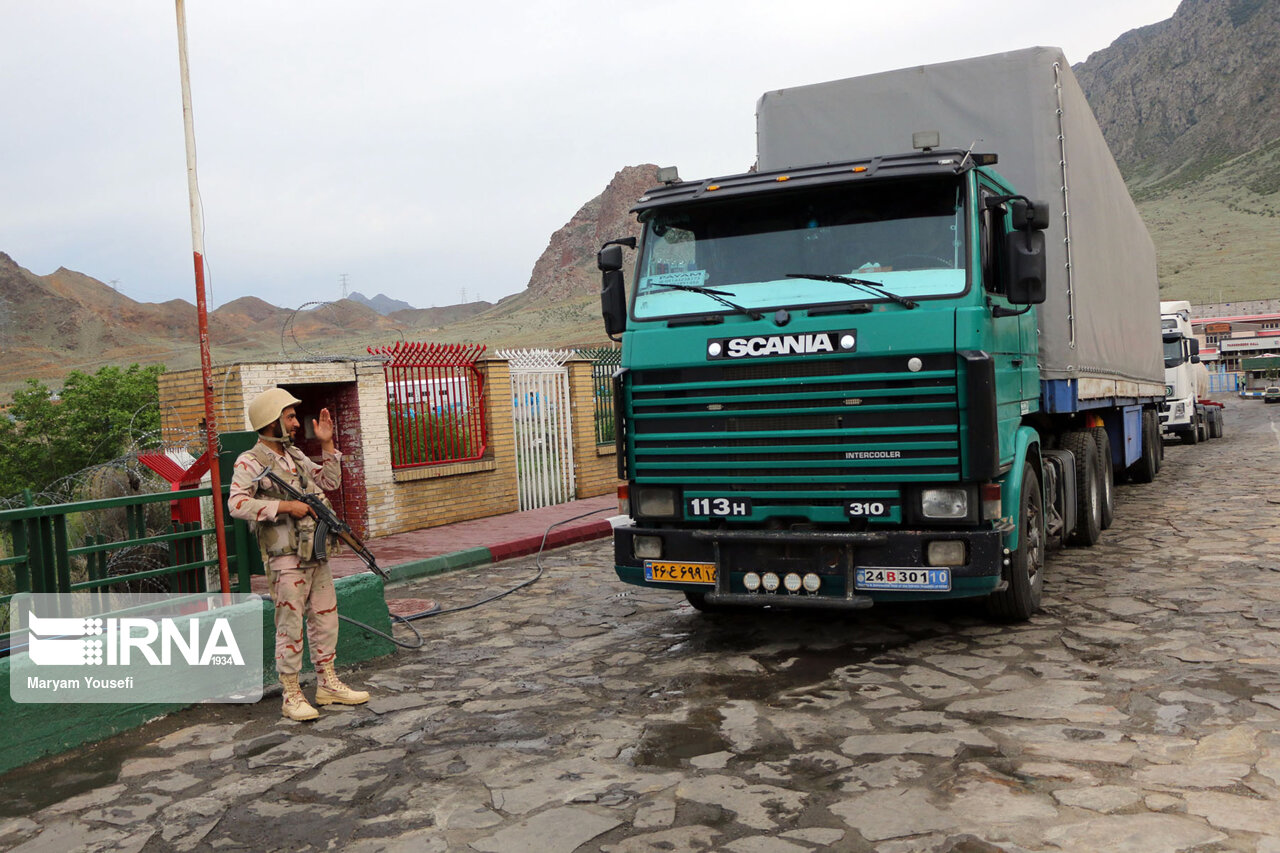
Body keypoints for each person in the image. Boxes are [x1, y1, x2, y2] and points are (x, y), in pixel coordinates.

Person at [229, 387, 371, 721]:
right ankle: (292, 694)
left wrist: (326, 445)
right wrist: (285, 506)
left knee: (326, 618)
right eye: (289, 417)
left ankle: (328, 684)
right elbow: (235, 504)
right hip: (285, 558)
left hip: (314, 553)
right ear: (271, 422)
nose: (296, 423)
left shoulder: (294, 456)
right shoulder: (250, 461)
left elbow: (330, 482)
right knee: (290, 626)